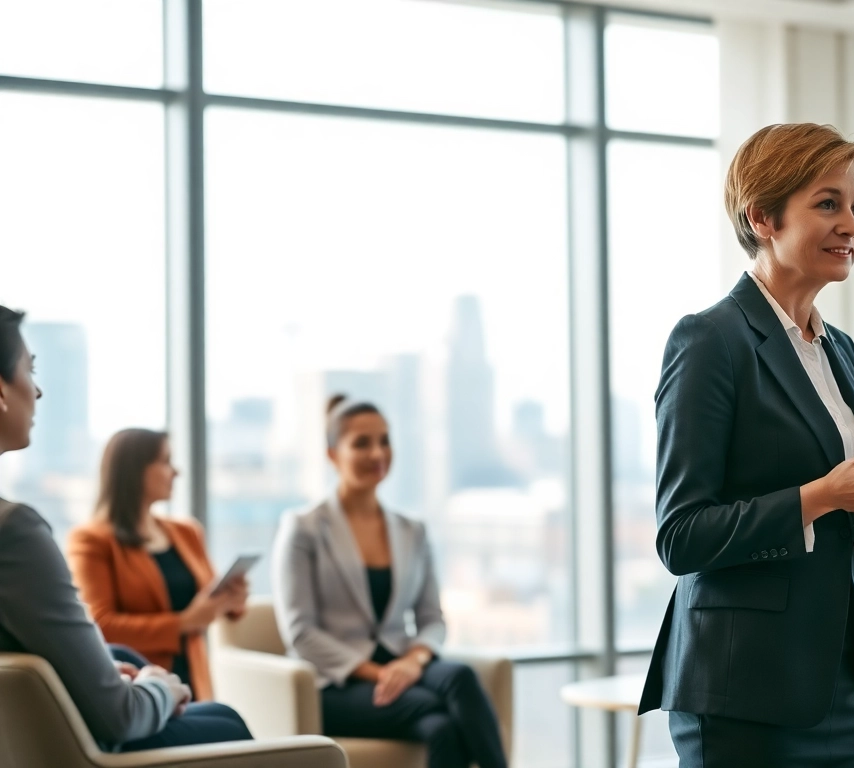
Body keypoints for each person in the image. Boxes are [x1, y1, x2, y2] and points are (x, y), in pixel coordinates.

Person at [636, 123, 854, 767]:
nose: (851, 224)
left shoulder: (837, 349)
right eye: (827, 204)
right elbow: (681, 535)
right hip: (742, 690)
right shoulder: (710, 341)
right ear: (763, 216)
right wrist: (822, 494)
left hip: (834, 681)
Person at [0, 305, 252, 751]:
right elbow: (119, 715)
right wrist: (159, 685)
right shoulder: (16, 531)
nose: (37, 391)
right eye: (29, 370)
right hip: (85, 740)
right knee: (225, 721)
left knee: (136, 667)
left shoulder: (184, 531)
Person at [272, 395, 507, 768]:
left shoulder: (412, 531)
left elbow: (433, 619)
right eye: (361, 443)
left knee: (453, 695)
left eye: (384, 440)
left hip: (402, 664)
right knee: (437, 707)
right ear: (332, 454)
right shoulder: (304, 528)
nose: (377, 453)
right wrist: (381, 673)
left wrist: (413, 662)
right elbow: (300, 633)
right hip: (335, 683)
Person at [68, 428, 248, 702]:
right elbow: (102, 625)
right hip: (139, 689)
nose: (176, 472)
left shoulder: (187, 532)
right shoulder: (91, 540)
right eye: (165, 461)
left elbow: (208, 599)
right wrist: (185, 623)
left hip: (195, 682)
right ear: (134, 470)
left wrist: (232, 598)